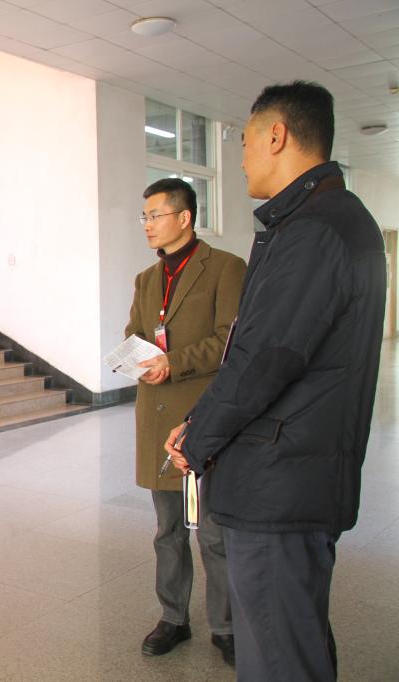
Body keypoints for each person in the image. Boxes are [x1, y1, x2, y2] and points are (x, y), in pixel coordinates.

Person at [165, 81, 386, 680]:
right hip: (294, 471)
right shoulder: (328, 220)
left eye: (244, 142)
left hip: (280, 482)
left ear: (277, 136)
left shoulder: (315, 229)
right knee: (291, 644)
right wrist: (201, 421)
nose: (239, 160)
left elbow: (266, 359)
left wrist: (198, 436)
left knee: (279, 658)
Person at [125, 178, 245, 665]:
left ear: (184, 217)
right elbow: (135, 333)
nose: (147, 225)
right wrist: (137, 359)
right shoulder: (146, 279)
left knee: (213, 532)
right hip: (157, 416)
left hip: (204, 415)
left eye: (155, 215)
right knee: (167, 530)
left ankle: (227, 626)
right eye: (145, 216)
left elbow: (229, 339)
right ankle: (173, 617)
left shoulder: (225, 268)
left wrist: (175, 362)